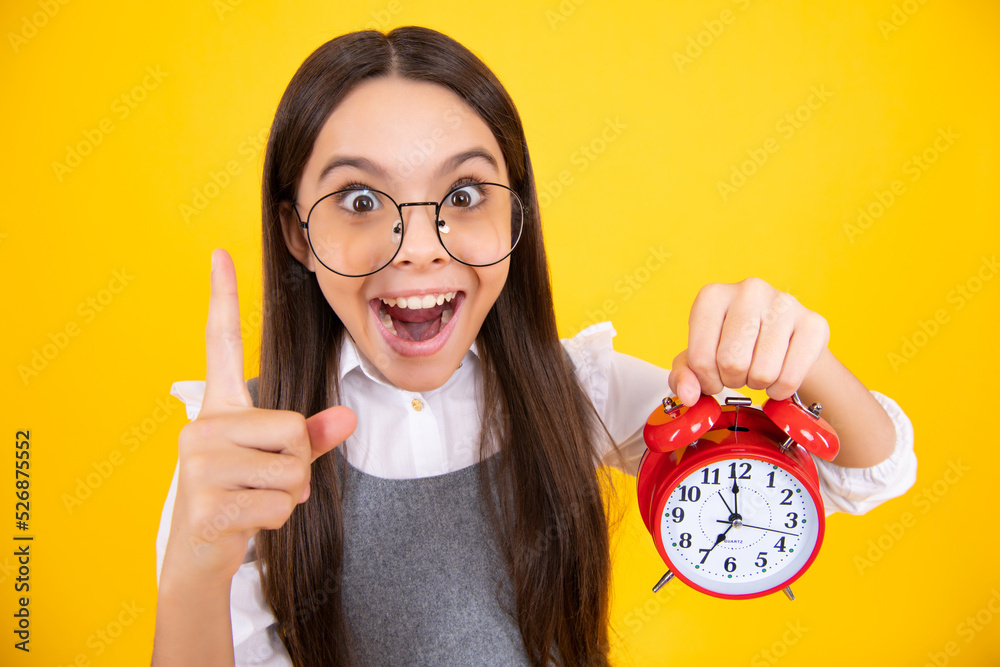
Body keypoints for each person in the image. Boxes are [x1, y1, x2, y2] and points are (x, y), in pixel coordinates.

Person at [152, 26, 916, 667]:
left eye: (463, 194)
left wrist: (799, 356)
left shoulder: (573, 388)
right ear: (297, 234)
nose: (418, 246)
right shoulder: (235, 456)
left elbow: (865, 473)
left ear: (517, 216)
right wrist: (194, 567)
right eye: (359, 200)